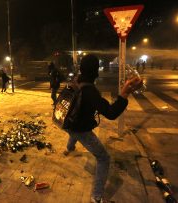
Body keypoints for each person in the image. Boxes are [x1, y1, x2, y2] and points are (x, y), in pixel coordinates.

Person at [63, 55, 143, 203]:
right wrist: (124, 94)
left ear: (81, 69)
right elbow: (111, 113)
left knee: (74, 131)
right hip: (80, 128)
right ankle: (97, 196)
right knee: (104, 158)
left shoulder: (77, 81)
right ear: (95, 71)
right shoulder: (90, 91)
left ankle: (69, 148)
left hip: (68, 123)